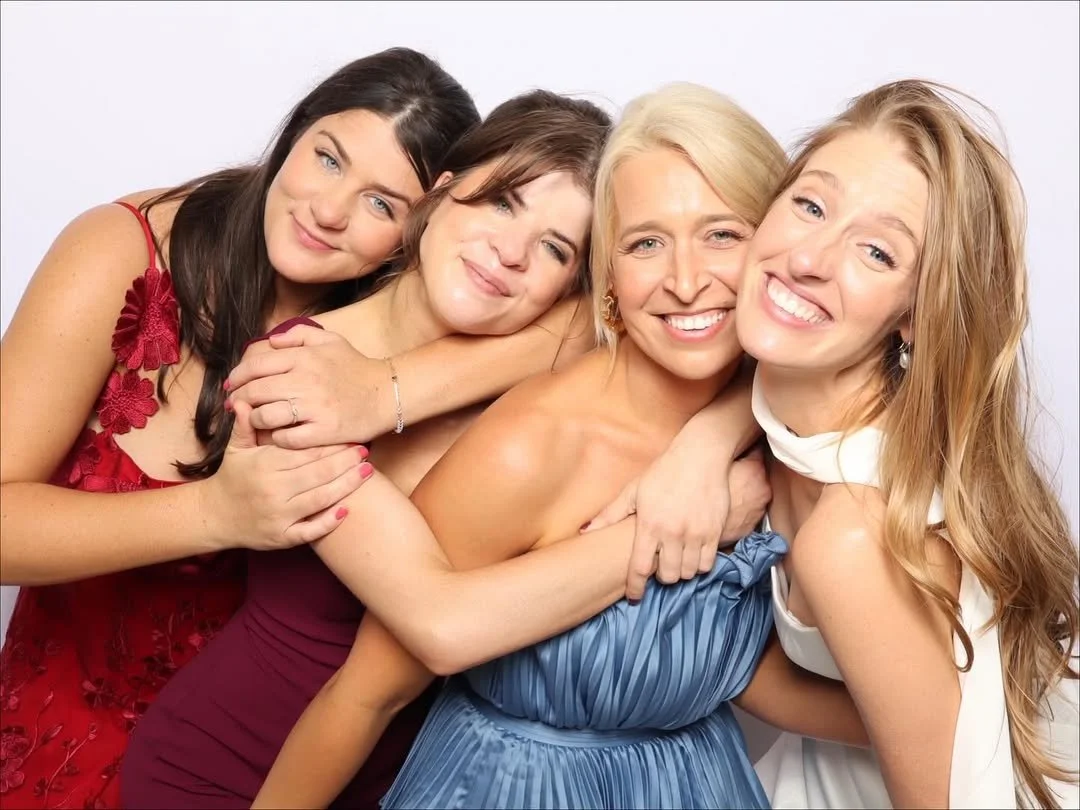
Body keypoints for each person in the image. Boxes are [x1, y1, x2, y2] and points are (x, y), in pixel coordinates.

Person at [121, 86, 768, 810]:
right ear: (438, 198)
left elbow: (703, 324)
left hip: (423, 776)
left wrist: (709, 443)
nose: (511, 252)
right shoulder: (292, 377)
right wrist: (683, 521)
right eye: (500, 203)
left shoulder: (547, 356)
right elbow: (439, 625)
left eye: (556, 247)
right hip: (235, 772)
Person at [0, 46, 610, 810]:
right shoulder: (130, 253)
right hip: (70, 727)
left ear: (421, 217)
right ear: (294, 135)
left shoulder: (402, 323)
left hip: (273, 750)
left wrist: (388, 388)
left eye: (383, 202)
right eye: (326, 159)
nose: (329, 210)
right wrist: (213, 513)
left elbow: (615, 314)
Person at [249, 83, 870, 810]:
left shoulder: (779, 424)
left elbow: (732, 668)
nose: (687, 280)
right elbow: (366, 698)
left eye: (723, 234)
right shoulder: (530, 448)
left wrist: (962, 722)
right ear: (607, 277)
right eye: (646, 243)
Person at [716, 79, 1079, 809]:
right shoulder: (784, 427)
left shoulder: (855, 534)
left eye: (877, 253)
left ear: (913, 317)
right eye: (810, 205)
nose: (810, 257)